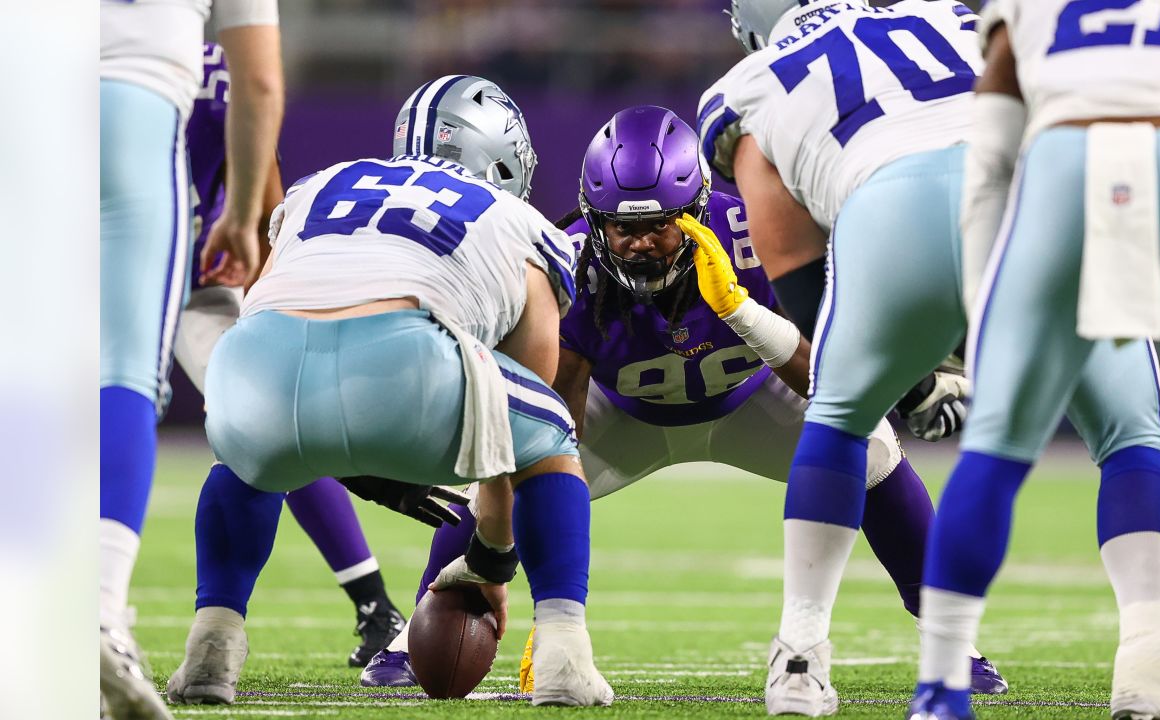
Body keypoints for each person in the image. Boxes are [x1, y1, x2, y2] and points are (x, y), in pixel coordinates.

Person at [359, 106, 1005, 697]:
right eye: (621, 227)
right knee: (501, 478)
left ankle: (952, 643)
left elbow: (835, 382)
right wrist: (538, 546)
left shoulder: (753, 232)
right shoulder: (571, 261)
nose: (639, 243)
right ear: (593, 217)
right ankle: (409, 639)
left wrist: (741, 310)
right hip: (628, 416)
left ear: (694, 208)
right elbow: (555, 423)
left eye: (658, 227)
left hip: (752, 400)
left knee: (869, 447)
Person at [699, 1, 1160, 716]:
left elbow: (792, 258)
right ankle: (1150, 654)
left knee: (836, 421)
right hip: (1042, 181)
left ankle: (800, 659)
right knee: (1129, 435)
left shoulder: (747, 84)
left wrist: (907, 371)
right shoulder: (947, 10)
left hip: (892, 205)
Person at [165, 75, 613, 708]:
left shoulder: (317, 185)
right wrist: (490, 559)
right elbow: (516, 440)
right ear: (502, 156)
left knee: (245, 459)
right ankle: (564, 651)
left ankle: (212, 640)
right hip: (405, 369)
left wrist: (339, 452)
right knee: (552, 432)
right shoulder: (518, 219)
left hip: (247, 369)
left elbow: (279, 303)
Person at [912, 1, 1160, 718]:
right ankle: (1151, 661)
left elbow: (993, 148)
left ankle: (941, 685)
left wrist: (983, 302)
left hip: (1067, 154)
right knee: (1142, 440)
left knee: (996, 445)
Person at [176, 42, 408, 669]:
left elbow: (263, 184)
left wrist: (265, 305)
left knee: (270, 418)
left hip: (193, 271)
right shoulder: (220, 56)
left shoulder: (207, 55)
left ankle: (373, 603)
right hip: (139, 267)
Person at [101, 2, 282, 717]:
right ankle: (97, 607)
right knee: (122, 377)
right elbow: (259, 81)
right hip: (131, 109)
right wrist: (240, 214)